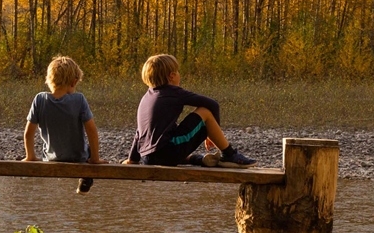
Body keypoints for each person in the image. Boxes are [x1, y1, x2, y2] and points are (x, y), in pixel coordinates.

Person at [124, 54, 256, 168]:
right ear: (172, 76)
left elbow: (140, 133)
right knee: (204, 111)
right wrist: (211, 133)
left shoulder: (146, 97)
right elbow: (212, 104)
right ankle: (229, 154)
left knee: (170, 131)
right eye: (178, 71)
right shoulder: (175, 92)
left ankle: (196, 159)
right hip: (168, 152)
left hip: (148, 158)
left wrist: (132, 159)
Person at [23, 55, 106, 193]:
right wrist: (95, 159)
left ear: (49, 80)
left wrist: (30, 156)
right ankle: (86, 179)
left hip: (50, 159)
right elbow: (91, 131)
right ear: (73, 82)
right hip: (78, 158)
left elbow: (28, 133)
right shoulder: (79, 100)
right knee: (89, 149)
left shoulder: (40, 99)